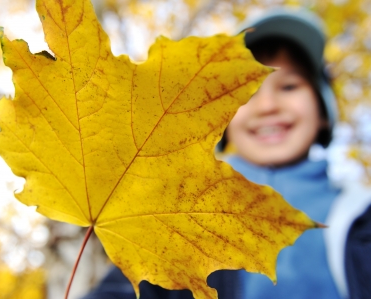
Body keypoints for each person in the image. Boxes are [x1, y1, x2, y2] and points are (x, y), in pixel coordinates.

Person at [82, 8, 371, 299]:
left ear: (323, 110)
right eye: (248, 92)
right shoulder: (178, 213)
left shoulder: (360, 216)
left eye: (289, 86)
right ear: (223, 120)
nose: (268, 105)